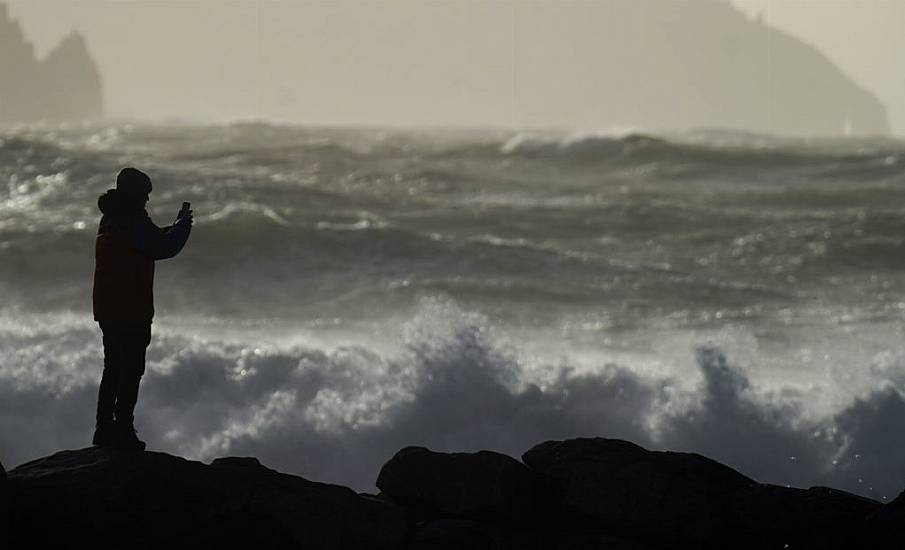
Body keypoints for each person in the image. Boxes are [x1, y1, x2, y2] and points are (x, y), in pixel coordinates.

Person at [91, 167, 193, 450]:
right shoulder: (132, 220)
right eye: (145, 195)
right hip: (130, 308)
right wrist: (183, 226)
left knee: (112, 368)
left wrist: (170, 229)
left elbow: (147, 242)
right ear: (135, 195)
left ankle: (104, 428)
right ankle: (123, 429)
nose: (147, 200)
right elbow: (163, 248)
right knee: (131, 369)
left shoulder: (111, 217)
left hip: (108, 306)